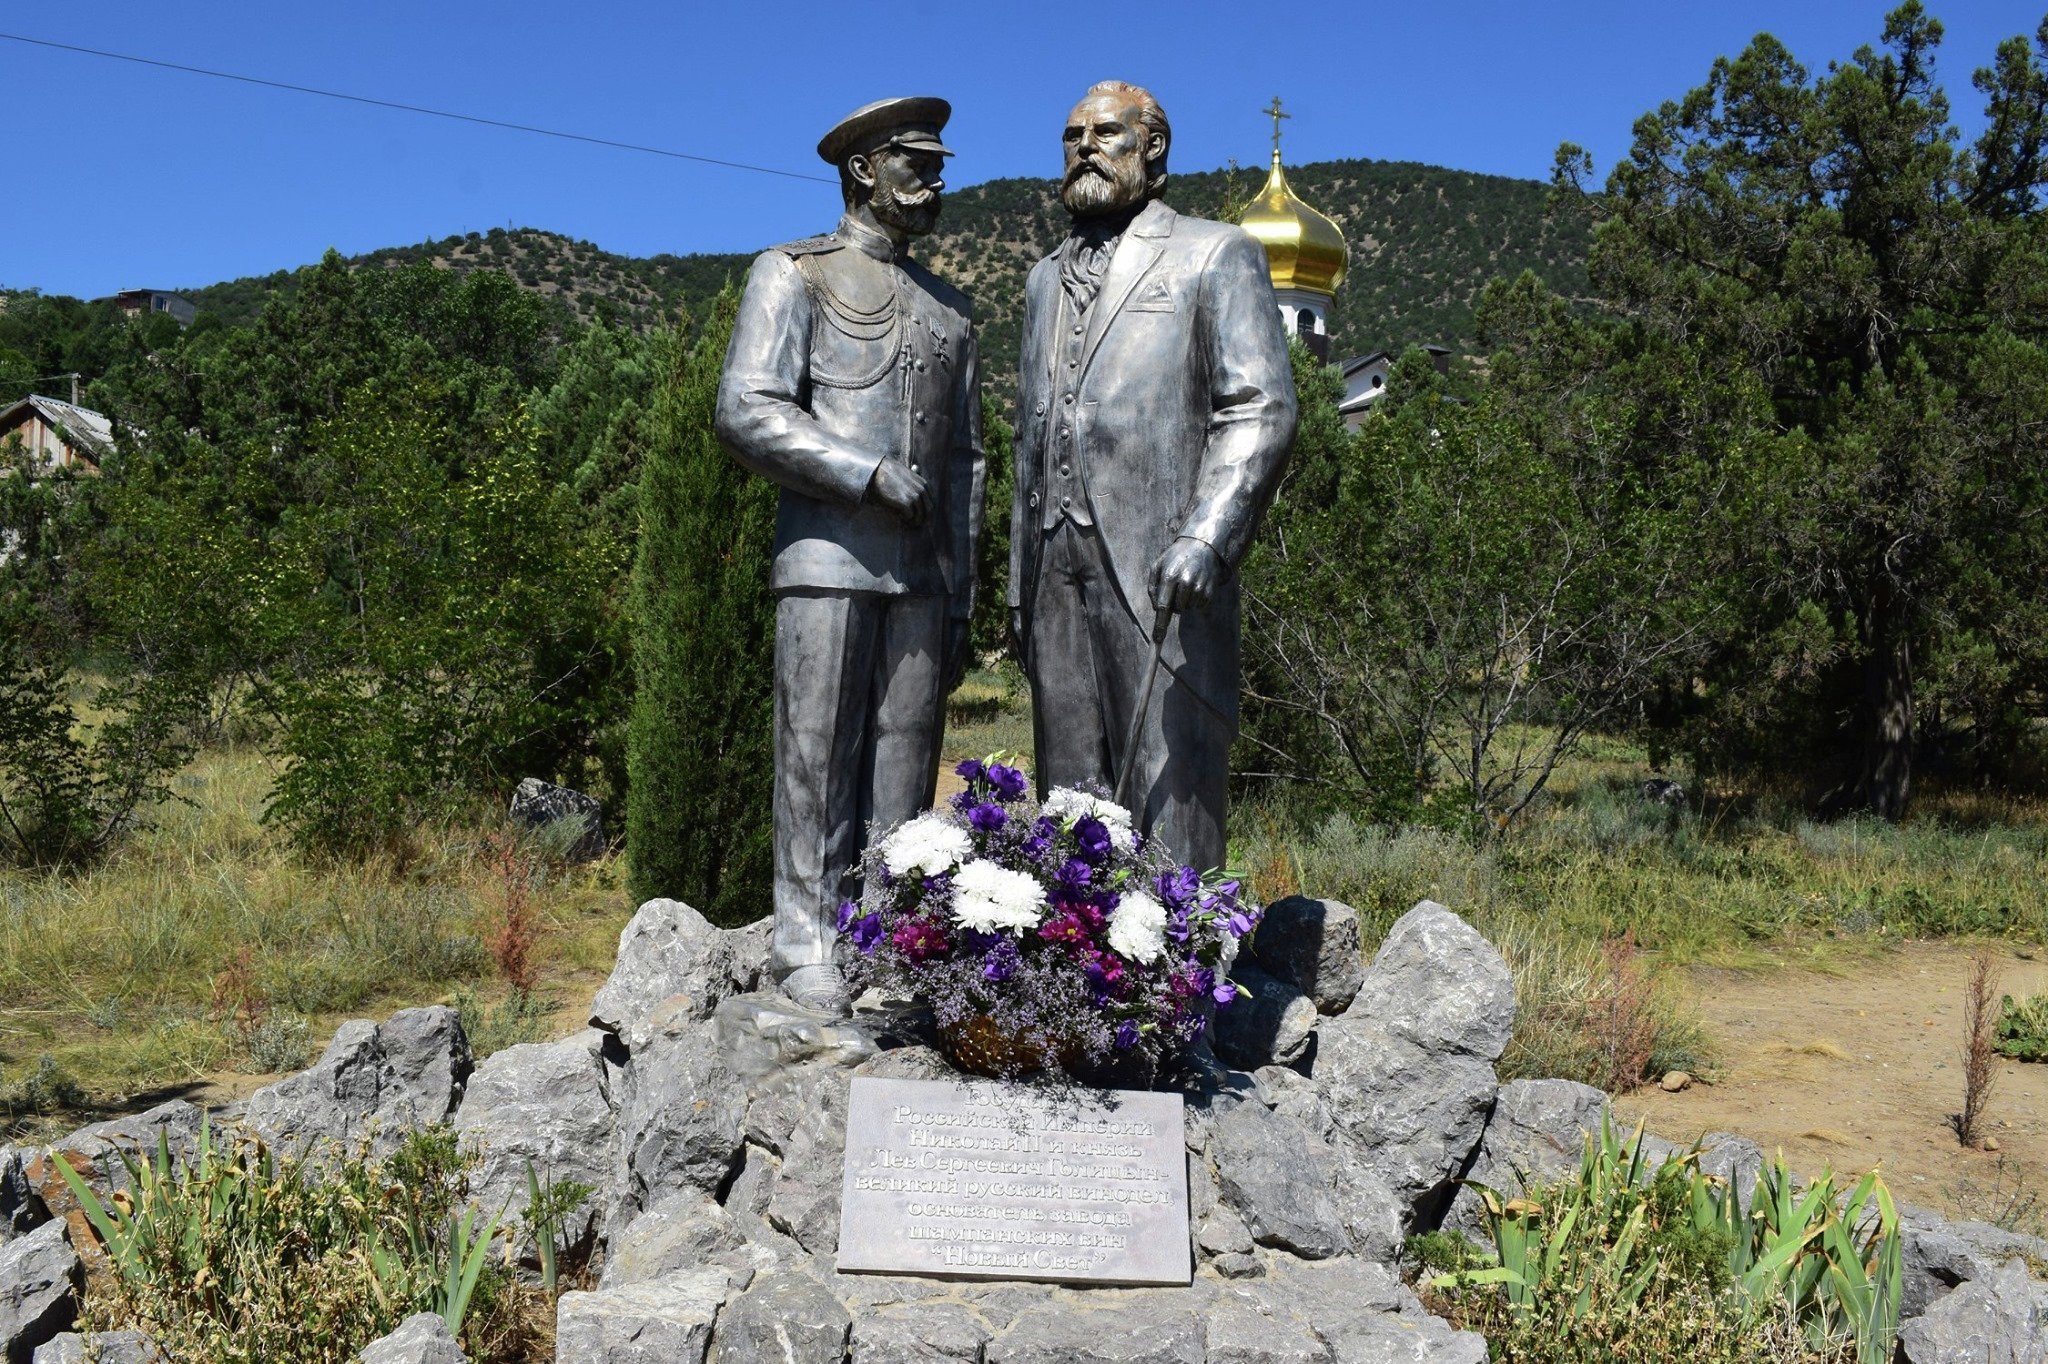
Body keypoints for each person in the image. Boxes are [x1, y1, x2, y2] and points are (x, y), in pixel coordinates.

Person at [716, 96, 985, 1013]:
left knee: (905, 770)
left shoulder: (951, 312)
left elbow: (966, 466)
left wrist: (961, 596)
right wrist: (864, 472)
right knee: (816, 756)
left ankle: (890, 939)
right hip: (826, 563)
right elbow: (748, 409)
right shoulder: (793, 275)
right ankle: (809, 941)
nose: (935, 176)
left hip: (923, 581)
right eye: (916, 159)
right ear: (863, 170)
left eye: (938, 161)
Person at [1010, 80, 1296, 874]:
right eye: (1072, 137)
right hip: (1050, 564)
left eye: (1105, 134)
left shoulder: (1215, 252)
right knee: (1069, 793)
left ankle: (1180, 978)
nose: (1084, 150)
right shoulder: (1040, 281)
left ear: (1154, 148)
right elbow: (1029, 436)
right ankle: (1077, 973)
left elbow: (1261, 407)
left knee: (1170, 783)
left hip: (1160, 561)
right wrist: (1014, 584)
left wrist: (1209, 534)